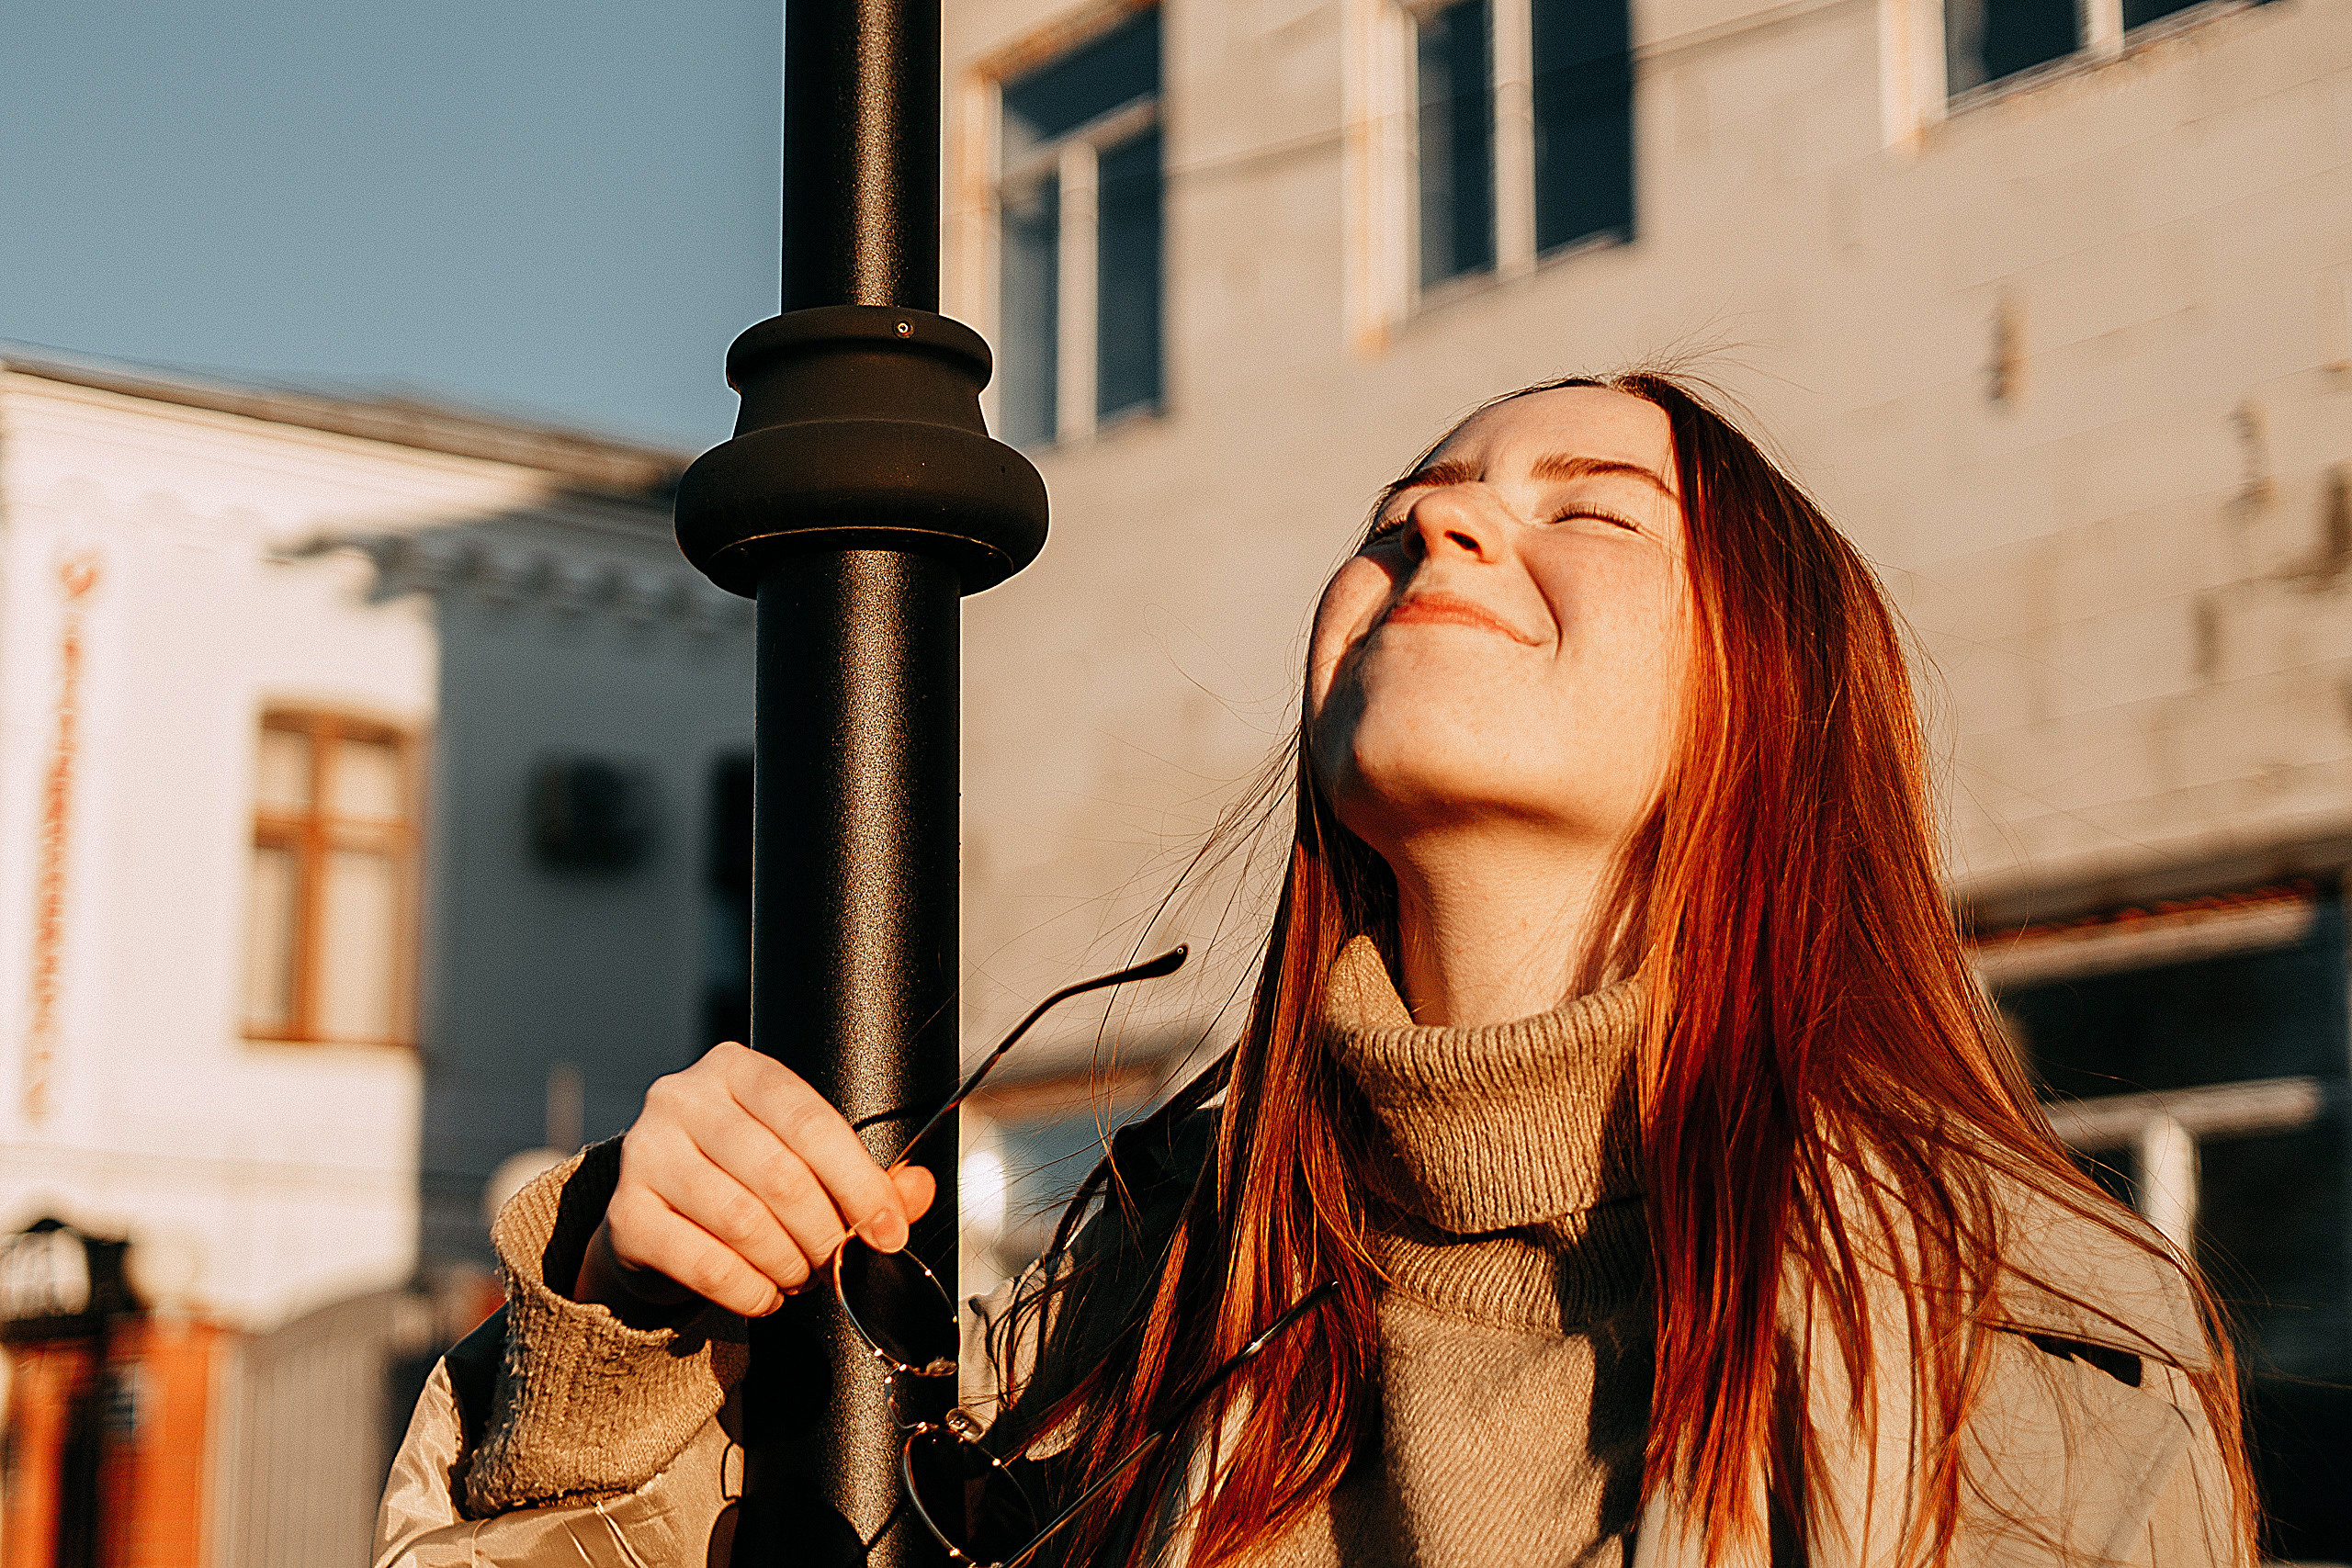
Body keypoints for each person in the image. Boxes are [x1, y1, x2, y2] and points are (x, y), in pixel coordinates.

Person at [376, 373, 2256, 1567]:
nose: (1440, 521)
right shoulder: (1103, 1331)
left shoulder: (2024, 1373)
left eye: (1587, 506)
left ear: (1777, 702)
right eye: (1402, 513)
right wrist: (621, 1336)